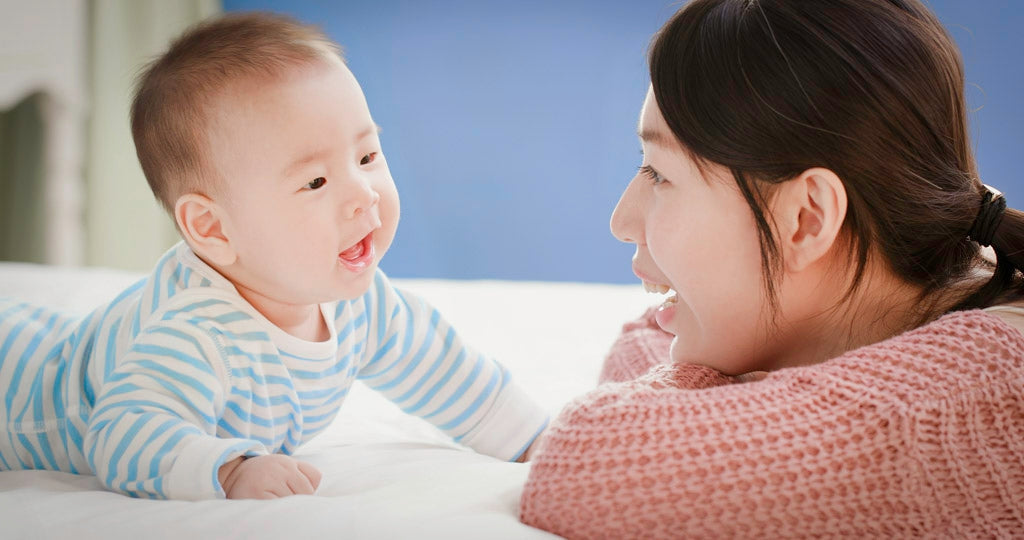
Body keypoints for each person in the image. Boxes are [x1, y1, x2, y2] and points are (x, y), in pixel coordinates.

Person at [520, 0, 1024, 537]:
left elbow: (587, 463)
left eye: (660, 174)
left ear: (807, 219)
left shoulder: (948, 408)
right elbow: (638, 341)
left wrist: (724, 381)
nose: (622, 220)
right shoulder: (946, 280)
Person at [0, 12, 548, 501]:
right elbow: (122, 433)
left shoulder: (361, 302)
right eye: (315, 181)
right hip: (17, 394)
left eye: (367, 154)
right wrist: (230, 469)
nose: (363, 192)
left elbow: (445, 370)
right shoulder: (197, 332)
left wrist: (537, 440)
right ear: (212, 229)